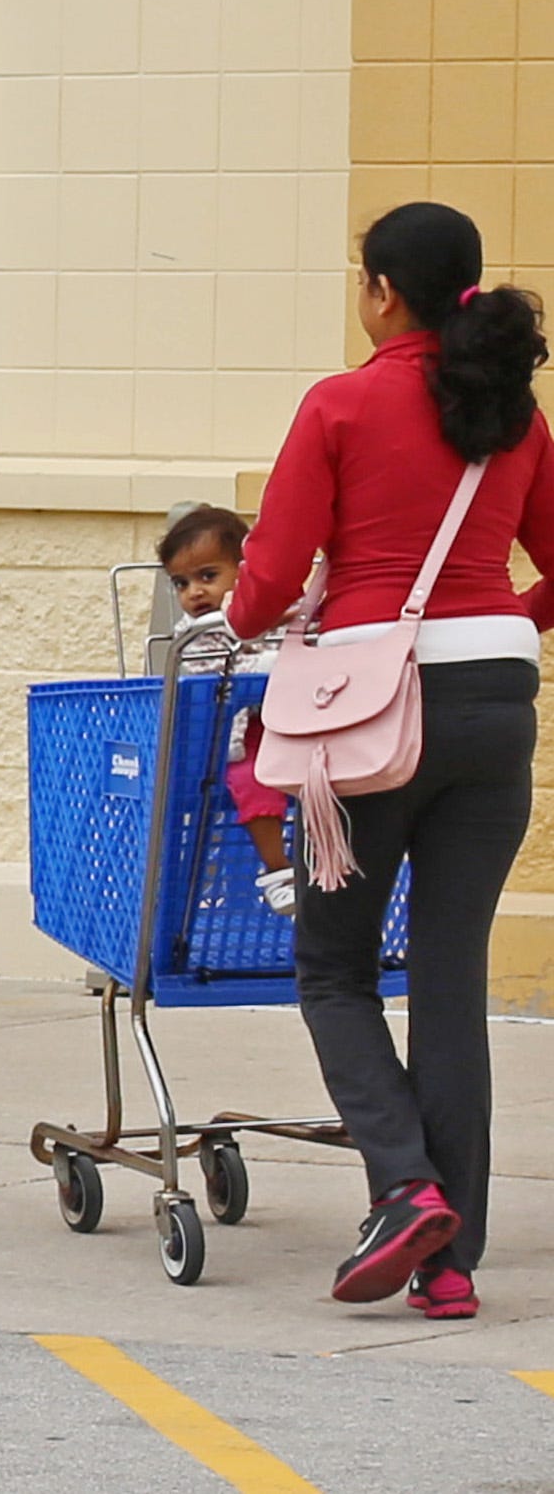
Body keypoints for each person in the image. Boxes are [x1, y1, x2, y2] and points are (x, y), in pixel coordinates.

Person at [227, 202, 554, 1320]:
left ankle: (407, 1188)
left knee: (335, 968)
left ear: (383, 292)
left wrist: (238, 612)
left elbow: (266, 582)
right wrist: (499, 614)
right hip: (496, 707)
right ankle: (448, 1265)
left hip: (369, 723)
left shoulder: (344, 402)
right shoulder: (513, 414)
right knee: (451, 986)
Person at [157, 505, 295, 914]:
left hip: (293, 726)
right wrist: (260, 668)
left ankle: (338, 879)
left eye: (208, 576)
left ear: (246, 570)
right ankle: (278, 871)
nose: (194, 592)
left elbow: (304, 647)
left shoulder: (279, 611)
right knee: (252, 781)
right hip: (232, 738)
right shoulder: (194, 636)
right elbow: (208, 677)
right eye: (181, 583)